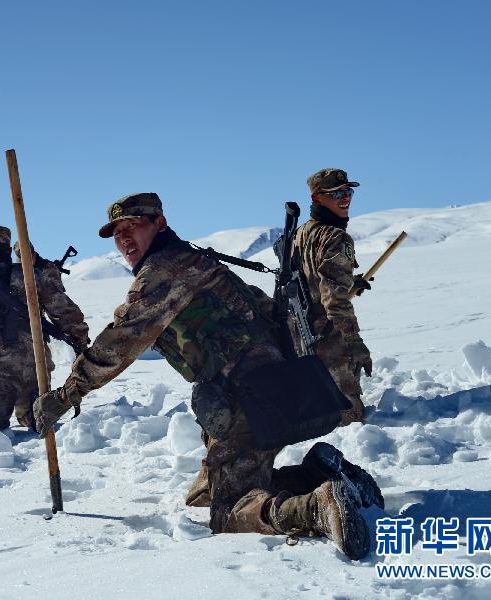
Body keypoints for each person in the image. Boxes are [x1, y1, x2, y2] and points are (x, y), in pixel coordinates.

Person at [32, 193, 380, 560]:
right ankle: (320, 474)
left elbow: (119, 342)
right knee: (209, 490)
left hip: (248, 399)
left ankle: (316, 506)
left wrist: (66, 394)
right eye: (117, 232)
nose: (124, 238)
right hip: (271, 389)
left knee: (226, 512)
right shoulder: (196, 261)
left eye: (134, 225)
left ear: (160, 224)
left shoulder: (164, 272)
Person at [0, 226, 89, 441]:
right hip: (36, 365)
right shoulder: (32, 277)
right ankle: (34, 406)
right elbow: (65, 311)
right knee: (37, 412)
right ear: (8, 251)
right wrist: (80, 341)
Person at [292, 168, 372, 425]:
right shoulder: (336, 237)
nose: (345, 197)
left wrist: (350, 284)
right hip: (328, 337)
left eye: (348, 192)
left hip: (300, 337)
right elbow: (333, 299)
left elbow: (312, 281)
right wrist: (353, 340)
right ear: (317, 199)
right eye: (336, 193)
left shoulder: (301, 233)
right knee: (347, 417)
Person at [12, 241, 89, 427]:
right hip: (27, 338)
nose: (26, 259)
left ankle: (27, 412)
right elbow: (60, 307)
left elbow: (57, 302)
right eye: (21, 257)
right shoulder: (20, 274)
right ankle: (30, 413)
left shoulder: (41, 271)